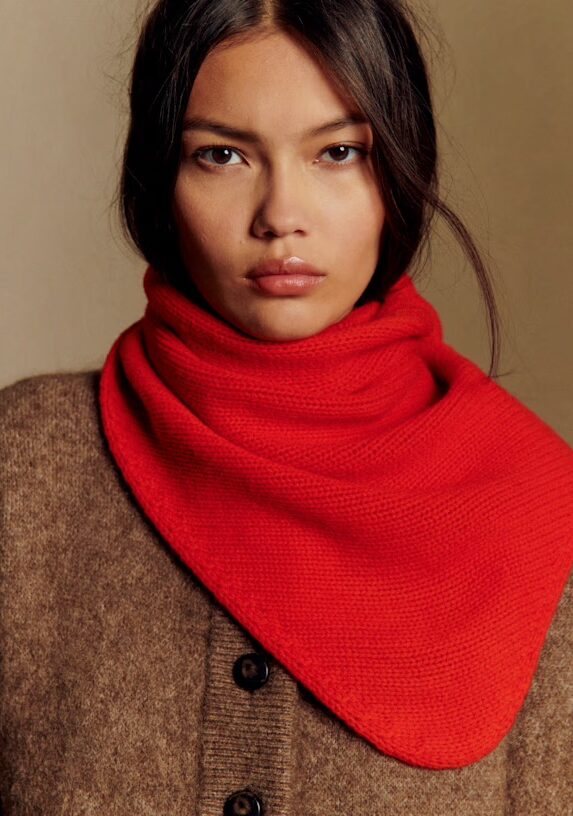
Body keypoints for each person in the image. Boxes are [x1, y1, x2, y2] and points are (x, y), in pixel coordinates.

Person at [1, 0, 572, 813]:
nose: (281, 217)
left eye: (338, 152)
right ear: (157, 175)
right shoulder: (24, 470)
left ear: (401, 170)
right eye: (223, 155)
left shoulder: (542, 513)